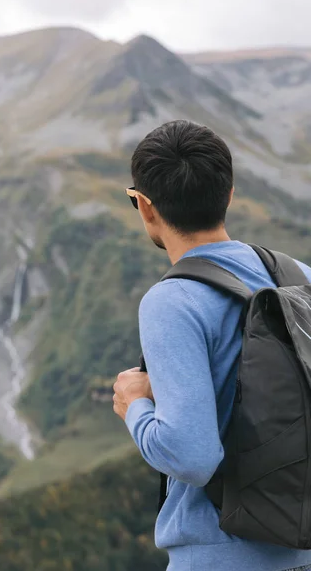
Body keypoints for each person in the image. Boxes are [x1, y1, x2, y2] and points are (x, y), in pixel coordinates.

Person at [112, 120, 311, 571]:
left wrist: (135, 406)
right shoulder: (299, 276)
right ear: (229, 193)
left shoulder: (172, 301)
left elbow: (192, 456)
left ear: (145, 206)